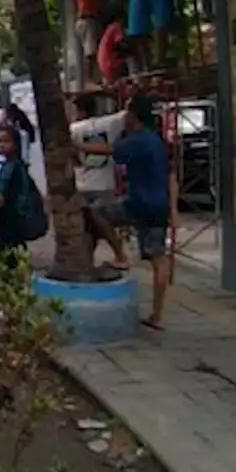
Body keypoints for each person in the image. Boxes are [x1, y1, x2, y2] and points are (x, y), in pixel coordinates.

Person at [74, 96, 173, 328]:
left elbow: (110, 150)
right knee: (159, 259)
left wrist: (78, 146)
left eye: (127, 112)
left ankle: (120, 256)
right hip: (159, 206)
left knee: (97, 211)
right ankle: (157, 315)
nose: (124, 117)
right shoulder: (155, 141)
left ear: (134, 117)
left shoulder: (138, 141)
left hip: (139, 204)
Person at [69, 96, 129, 266]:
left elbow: (72, 156)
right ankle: (97, 258)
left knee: (87, 227)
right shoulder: (110, 123)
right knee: (102, 224)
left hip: (82, 184)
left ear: (80, 111)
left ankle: (115, 256)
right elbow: (128, 111)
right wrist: (109, 92)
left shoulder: (73, 129)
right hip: (105, 184)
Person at [0, 125, 31, 269]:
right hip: (11, 219)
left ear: (16, 144)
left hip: (11, 219)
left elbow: (0, 196)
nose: (1, 145)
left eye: (6, 141)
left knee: (8, 257)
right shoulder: (10, 165)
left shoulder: (12, 167)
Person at [74, 0, 105, 86]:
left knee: (92, 50)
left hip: (83, 19)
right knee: (91, 52)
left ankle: (93, 78)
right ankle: (89, 80)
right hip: (88, 19)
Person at [97, 8, 129, 84]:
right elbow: (120, 44)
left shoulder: (109, 29)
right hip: (110, 64)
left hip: (103, 63)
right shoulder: (116, 26)